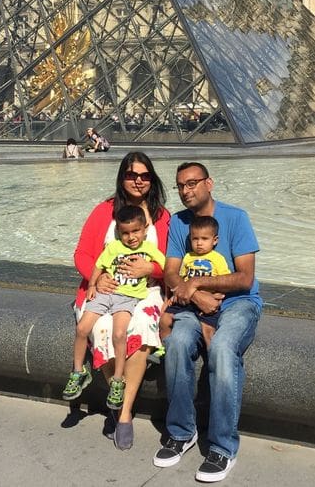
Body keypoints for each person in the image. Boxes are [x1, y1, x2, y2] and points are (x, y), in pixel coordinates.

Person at [154, 162, 262, 483]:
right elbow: (172, 273)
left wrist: (199, 286)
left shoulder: (236, 218)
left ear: (209, 183)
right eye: (180, 186)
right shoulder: (178, 223)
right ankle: (182, 431)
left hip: (239, 304)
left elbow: (245, 278)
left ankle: (223, 447)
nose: (186, 191)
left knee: (224, 348)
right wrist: (196, 296)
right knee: (175, 343)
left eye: (192, 184)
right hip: (193, 304)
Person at [72, 152, 170, 450]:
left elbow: (170, 263)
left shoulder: (163, 216)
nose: (138, 181)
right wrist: (96, 278)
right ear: (122, 177)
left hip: (147, 291)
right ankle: (117, 402)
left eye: (144, 175)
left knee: (138, 329)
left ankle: (123, 412)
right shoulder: (103, 211)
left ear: (151, 179)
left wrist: (149, 269)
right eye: (131, 175)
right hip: (105, 290)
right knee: (101, 330)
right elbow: (82, 254)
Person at [64, 205, 166, 411]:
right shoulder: (113, 247)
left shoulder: (148, 248)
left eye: (135, 231)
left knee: (119, 333)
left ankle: (118, 379)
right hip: (105, 294)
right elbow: (97, 264)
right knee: (83, 328)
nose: (131, 237)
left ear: (145, 230)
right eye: (125, 232)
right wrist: (93, 284)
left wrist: (150, 269)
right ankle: (78, 371)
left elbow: (167, 267)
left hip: (127, 298)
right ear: (118, 231)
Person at [158, 214, 230, 349]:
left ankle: (211, 359)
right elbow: (181, 279)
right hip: (185, 298)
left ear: (215, 240)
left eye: (204, 239)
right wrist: (174, 294)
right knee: (165, 320)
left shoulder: (217, 258)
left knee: (208, 331)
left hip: (207, 299)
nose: (199, 243)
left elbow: (223, 280)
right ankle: (165, 349)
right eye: (195, 239)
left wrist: (218, 296)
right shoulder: (188, 257)